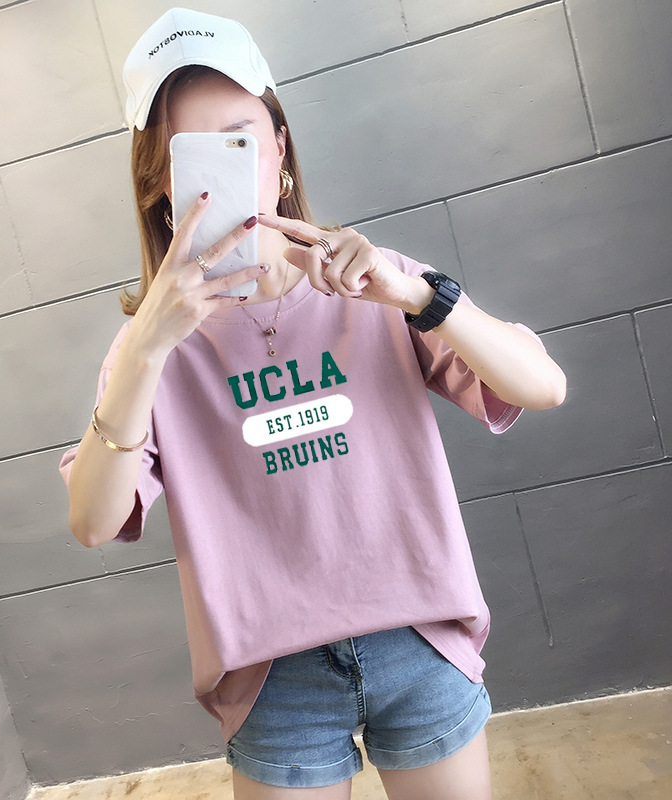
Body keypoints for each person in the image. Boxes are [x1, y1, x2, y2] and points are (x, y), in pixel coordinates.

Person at [60, 8, 567, 799]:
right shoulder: (147, 353)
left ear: (280, 150)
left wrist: (414, 297)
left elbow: (544, 386)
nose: (222, 174)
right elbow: (93, 522)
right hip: (274, 679)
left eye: (240, 141)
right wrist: (146, 351)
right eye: (191, 154)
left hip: (419, 637)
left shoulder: (377, 283)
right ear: (159, 182)